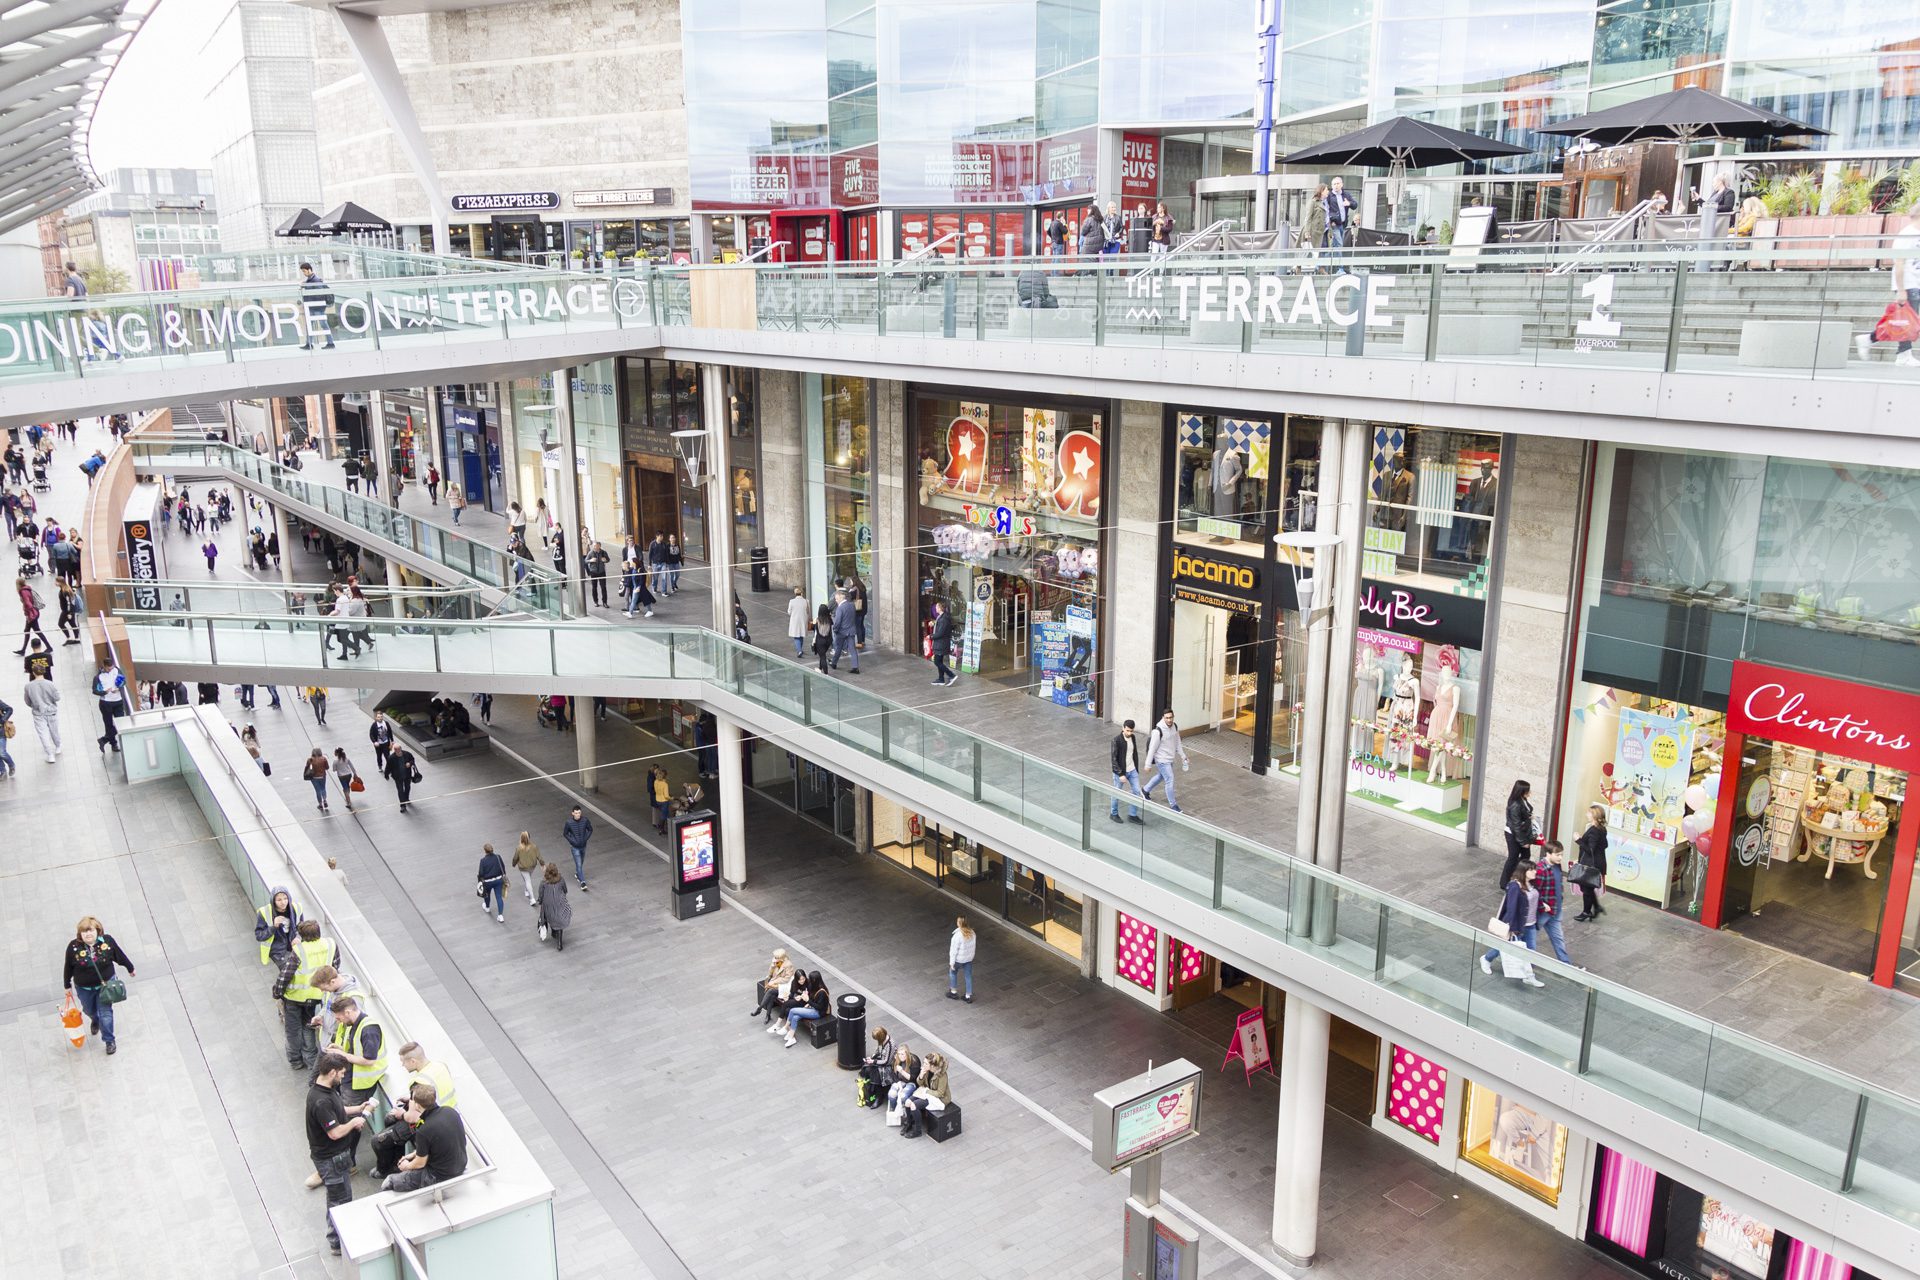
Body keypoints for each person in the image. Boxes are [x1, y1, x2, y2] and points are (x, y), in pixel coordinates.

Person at [307, 1052, 371, 1255]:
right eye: (342, 1074)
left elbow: (338, 1110)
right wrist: (354, 1122)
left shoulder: (325, 1089)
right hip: (331, 1159)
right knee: (339, 1200)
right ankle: (336, 1241)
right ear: (332, 1072)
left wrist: (356, 1109)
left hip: (335, 1157)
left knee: (341, 1197)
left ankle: (340, 1236)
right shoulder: (320, 1101)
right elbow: (334, 1133)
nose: (343, 1077)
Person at [63, 916, 135, 1054]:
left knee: (105, 1014)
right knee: (89, 1010)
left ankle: (109, 1041)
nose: (88, 934)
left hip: (105, 987)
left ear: (97, 930)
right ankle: (94, 1020)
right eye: (84, 932)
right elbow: (68, 967)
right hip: (84, 989)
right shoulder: (73, 947)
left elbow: (119, 955)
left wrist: (130, 968)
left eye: (90, 931)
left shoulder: (107, 942)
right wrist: (67, 985)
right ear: (80, 934)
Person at [381, 1080, 468, 1193]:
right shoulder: (450, 1111)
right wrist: (412, 1155)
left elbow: (420, 1163)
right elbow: (434, 1144)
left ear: (417, 1105)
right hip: (460, 1164)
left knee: (391, 1181)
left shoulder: (424, 1130)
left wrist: (406, 1166)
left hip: (440, 1175)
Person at [1480, 860, 1546, 988]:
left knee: (1530, 951)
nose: (1535, 872)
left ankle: (1528, 976)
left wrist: (1543, 905)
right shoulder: (1515, 887)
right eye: (1531, 869)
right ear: (1523, 871)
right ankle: (1487, 959)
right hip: (1518, 925)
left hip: (1531, 924)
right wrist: (1513, 928)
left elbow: (1535, 899)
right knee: (1506, 947)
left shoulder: (1532, 883)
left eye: (1534, 869)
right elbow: (1511, 908)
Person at [280, 920, 336, 1071]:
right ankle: (311, 1059)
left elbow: (286, 974)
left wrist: (277, 991)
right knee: (308, 1026)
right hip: (317, 995)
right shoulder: (330, 944)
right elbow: (335, 967)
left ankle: (296, 1060)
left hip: (294, 997)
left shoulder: (299, 950)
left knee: (293, 1030)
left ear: (302, 936)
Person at [1139, 710, 1190, 813]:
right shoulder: (1158, 731)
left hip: (1170, 758)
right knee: (1169, 779)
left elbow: (1178, 742)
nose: (1169, 720)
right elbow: (1152, 748)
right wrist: (1147, 764)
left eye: (1170, 717)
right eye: (1167, 718)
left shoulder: (1174, 726)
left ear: (1173, 717)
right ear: (1163, 717)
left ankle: (1145, 790)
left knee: (1161, 776)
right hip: (1161, 760)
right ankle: (1173, 805)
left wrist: (1183, 756)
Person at [1535, 842, 1573, 965]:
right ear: (1548, 854)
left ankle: (1566, 965)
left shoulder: (1557, 866)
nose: (1560, 858)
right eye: (1557, 855)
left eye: (1561, 855)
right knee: (1520, 937)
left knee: (1558, 939)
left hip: (1555, 910)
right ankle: (1489, 957)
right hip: (1543, 912)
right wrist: (1542, 905)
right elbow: (1534, 892)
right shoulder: (1540, 869)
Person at [902, 1051, 951, 1138]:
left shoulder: (942, 1075)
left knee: (913, 1105)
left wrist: (926, 1091)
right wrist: (921, 1075)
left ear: (932, 1066)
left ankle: (917, 1131)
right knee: (907, 1102)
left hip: (939, 1099)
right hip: (927, 1093)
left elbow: (940, 1093)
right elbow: (920, 1083)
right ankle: (909, 1123)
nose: (923, 1065)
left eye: (925, 1063)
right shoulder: (927, 1071)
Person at [1574, 804, 1610, 922]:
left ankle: (1586, 912)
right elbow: (1605, 845)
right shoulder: (1601, 829)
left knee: (1586, 888)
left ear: (1594, 815)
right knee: (1588, 887)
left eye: (1589, 813)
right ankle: (1597, 907)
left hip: (1591, 864)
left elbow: (1590, 850)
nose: (1587, 814)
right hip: (1598, 863)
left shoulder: (1594, 830)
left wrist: (1578, 840)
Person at [1109, 718, 1146, 824]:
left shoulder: (1132, 737)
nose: (1129, 733)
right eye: (1127, 730)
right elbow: (1114, 759)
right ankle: (1113, 813)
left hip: (1132, 769)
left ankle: (1132, 815)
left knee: (1136, 791)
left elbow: (1134, 753)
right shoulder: (1116, 740)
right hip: (1121, 772)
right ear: (1123, 728)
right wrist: (1120, 773)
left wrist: (1136, 769)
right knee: (1117, 792)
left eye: (1131, 731)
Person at [781, 969, 831, 1047]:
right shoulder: (814, 986)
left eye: (810, 979)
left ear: (814, 980)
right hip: (811, 1008)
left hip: (818, 1013)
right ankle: (791, 1038)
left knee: (792, 1010)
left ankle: (785, 1028)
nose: (809, 981)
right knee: (795, 1017)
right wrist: (803, 997)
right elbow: (811, 997)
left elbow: (820, 1007)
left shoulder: (822, 992)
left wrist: (808, 1001)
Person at [1501, 779, 1536, 889]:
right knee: (1513, 857)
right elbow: (1515, 826)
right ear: (1522, 791)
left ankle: (1519, 877)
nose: (1530, 792)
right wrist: (1523, 842)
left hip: (1522, 832)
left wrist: (1528, 817)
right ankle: (1505, 882)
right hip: (1513, 834)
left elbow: (1524, 813)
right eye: (1528, 790)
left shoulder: (1522, 799)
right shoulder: (1515, 804)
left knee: (1525, 856)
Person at [255, 886, 301, 965]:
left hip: (294, 946)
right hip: (278, 951)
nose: (283, 902)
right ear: (274, 901)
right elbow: (259, 936)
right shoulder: (264, 912)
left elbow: (302, 927)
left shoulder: (296, 908)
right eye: (279, 900)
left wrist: (298, 937)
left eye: (285, 898)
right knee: (288, 973)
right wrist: (274, 926)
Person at [23, 664, 60, 762]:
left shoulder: (28, 686)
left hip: (38, 713)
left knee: (43, 734)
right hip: (51, 711)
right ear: (44, 671)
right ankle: (58, 746)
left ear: (33, 673)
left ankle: (50, 754)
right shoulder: (50, 684)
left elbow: (27, 701)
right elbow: (57, 698)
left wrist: (34, 705)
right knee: (54, 731)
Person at [751, 948, 796, 1023]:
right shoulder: (776, 961)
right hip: (776, 984)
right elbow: (770, 974)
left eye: (776, 957)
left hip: (785, 986)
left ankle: (760, 1009)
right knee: (771, 994)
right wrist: (772, 966)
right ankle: (767, 1015)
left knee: (771, 990)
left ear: (781, 958)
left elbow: (786, 979)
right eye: (775, 957)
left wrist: (774, 982)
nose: (774, 959)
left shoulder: (788, 965)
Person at [297, 262, 335, 350]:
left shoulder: (316, 280)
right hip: (312, 307)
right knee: (310, 325)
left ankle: (330, 343)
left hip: (318, 307)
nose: (304, 273)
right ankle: (309, 344)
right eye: (303, 271)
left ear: (309, 270)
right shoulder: (309, 281)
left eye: (304, 271)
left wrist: (306, 287)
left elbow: (319, 295)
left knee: (323, 325)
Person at [93, 656, 126, 754]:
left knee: (121, 722)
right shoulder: (98, 677)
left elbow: (124, 681)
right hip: (105, 703)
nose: (110, 670)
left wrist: (119, 687)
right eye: (108, 668)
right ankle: (113, 743)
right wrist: (103, 692)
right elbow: (94, 690)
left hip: (118, 700)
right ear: (104, 666)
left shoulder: (117, 670)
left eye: (111, 668)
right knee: (108, 724)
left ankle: (104, 739)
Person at [883, 1043, 921, 1125]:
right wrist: (899, 1084)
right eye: (899, 1054)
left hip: (911, 1083)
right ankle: (894, 1110)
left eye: (903, 1054)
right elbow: (893, 1074)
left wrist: (902, 1071)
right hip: (900, 1081)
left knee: (903, 1096)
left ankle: (905, 1114)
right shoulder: (897, 1059)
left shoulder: (914, 1060)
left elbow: (913, 1078)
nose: (901, 1056)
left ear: (907, 1053)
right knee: (891, 1094)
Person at [537, 862, 572, 951]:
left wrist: (540, 901)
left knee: (551, 917)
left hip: (548, 905)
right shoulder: (561, 880)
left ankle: (553, 932)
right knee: (559, 919)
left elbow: (540, 895)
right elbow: (565, 890)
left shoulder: (543, 883)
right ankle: (559, 943)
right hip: (559, 903)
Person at [858, 1027, 897, 1106]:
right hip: (881, 1061)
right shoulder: (882, 1041)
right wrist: (872, 1057)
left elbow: (887, 1061)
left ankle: (879, 1097)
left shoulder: (890, 1044)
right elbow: (878, 1051)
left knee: (875, 1072)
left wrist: (874, 1061)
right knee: (867, 1068)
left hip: (889, 1067)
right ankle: (872, 1090)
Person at [563, 804, 593, 891]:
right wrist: (572, 841)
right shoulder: (569, 823)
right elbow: (565, 833)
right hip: (575, 847)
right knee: (579, 864)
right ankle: (582, 882)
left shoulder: (585, 820)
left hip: (583, 846)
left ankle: (577, 873)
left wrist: (585, 838)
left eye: (579, 813)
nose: (578, 815)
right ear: (572, 813)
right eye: (576, 813)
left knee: (581, 861)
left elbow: (590, 829)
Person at [829, 588, 860, 673]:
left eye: (837, 598)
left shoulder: (840, 608)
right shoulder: (851, 605)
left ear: (841, 598)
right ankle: (855, 667)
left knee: (838, 648)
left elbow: (838, 622)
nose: (836, 600)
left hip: (841, 632)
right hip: (851, 630)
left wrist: (835, 630)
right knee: (852, 649)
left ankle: (834, 663)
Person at [384, 741, 420, 813]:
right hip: (398, 777)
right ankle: (403, 805)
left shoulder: (407, 754)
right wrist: (386, 775)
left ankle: (406, 798)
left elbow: (412, 760)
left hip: (407, 775)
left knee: (407, 787)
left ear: (401, 749)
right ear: (394, 750)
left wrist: (409, 763)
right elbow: (388, 767)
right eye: (396, 750)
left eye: (399, 749)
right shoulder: (391, 758)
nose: (398, 751)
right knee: (400, 791)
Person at [947, 916, 976, 1003]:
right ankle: (968, 996)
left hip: (958, 960)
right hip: (968, 959)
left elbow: (953, 951)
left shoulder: (957, 936)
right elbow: (973, 947)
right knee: (968, 976)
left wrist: (952, 963)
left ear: (959, 923)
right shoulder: (972, 933)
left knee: (953, 973)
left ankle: (953, 992)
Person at [477, 842, 507, 923]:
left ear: (485, 851)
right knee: (499, 897)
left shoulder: (483, 861)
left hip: (488, 882)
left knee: (487, 895)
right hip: (498, 880)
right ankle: (500, 915)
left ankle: (487, 907)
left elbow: (481, 873)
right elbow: (503, 868)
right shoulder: (498, 857)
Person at [1324, 177, 1357, 250]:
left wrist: (1349, 203)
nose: (1336, 185)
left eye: (1338, 183)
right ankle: (1339, 260)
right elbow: (1325, 210)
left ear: (1342, 184)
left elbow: (1355, 205)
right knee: (1339, 244)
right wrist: (1331, 220)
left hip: (1343, 224)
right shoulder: (1329, 196)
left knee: (1336, 244)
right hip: (1334, 224)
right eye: (1334, 184)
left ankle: (1331, 259)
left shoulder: (1346, 195)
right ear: (1332, 186)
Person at [928, 598, 955, 685]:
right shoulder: (942, 617)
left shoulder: (944, 619)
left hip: (941, 644)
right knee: (939, 661)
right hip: (939, 644)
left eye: (936, 607)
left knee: (937, 661)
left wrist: (931, 636)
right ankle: (941, 679)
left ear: (940, 608)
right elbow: (939, 624)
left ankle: (951, 675)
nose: (935, 608)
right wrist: (934, 622)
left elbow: (940, 633)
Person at [512, 832, 543, 903]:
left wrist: (514, 864)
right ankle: (526, 890)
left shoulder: (519, 848)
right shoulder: (534, 846)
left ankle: (532, 898)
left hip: (523, 868)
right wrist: (542, 864)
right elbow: (539, 856)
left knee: (527, 880)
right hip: (532, 866)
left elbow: (515, 858)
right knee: (528, 878)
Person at [784, 586, 810, 658]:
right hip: (803, 620)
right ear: (802, 593)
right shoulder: (806, 601)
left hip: (795, 620)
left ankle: (799, 651)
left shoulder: (792, 601)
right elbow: (808, 611)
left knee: (796, 636)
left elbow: (789, 612)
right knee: (801, 635)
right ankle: (800, 649)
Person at [302, 748, 331, 813]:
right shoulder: (323, 759)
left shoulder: (310, 760)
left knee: (317, 790)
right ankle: (325, 800)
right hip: (322, 776)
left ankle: (320, 804)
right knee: (323, 788)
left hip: (314, 777)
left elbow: (307, 767)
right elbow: (327, 767)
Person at [584, 539, 610, 607]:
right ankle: (595, 601)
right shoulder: (591, 553)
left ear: (599, 546)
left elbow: (608, 559)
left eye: (596, 546)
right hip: (593, 572)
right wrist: (590, 560)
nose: (594, 547)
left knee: (603, 587)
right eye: (594, 546)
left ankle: (605, 602)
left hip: (602, 572)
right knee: (594, 587)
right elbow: (585, 561)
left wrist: (605, 560)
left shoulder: (603, 552)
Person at [332, 747, 359, 812]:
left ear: (337, 753)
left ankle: (348, 802)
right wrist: (355, 773)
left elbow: (334, 770)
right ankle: (348, 797)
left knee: (345, 788)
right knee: (347, 786)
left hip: (341, 776)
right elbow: (352, 766)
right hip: (348, 774)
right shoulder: (346, 759)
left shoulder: (335, 761)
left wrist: (338, 768)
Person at [648, 766, 672, 833]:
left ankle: (661, 826)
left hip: (658, 800)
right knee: (663, 816)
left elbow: (655, 790)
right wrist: (671, 798)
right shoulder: (665, 784)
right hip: (664, 801)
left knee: (663, 813)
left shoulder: (655, 782)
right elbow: (666, 796)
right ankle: (661, 828)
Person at [812, 602, 834, 673]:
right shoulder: (829, 619)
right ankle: (820, 668)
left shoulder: (817, 620)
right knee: (822, 654)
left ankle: (826, 673)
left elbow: (814, 629)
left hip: (820, 641)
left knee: (822, 657)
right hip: (828, 640)